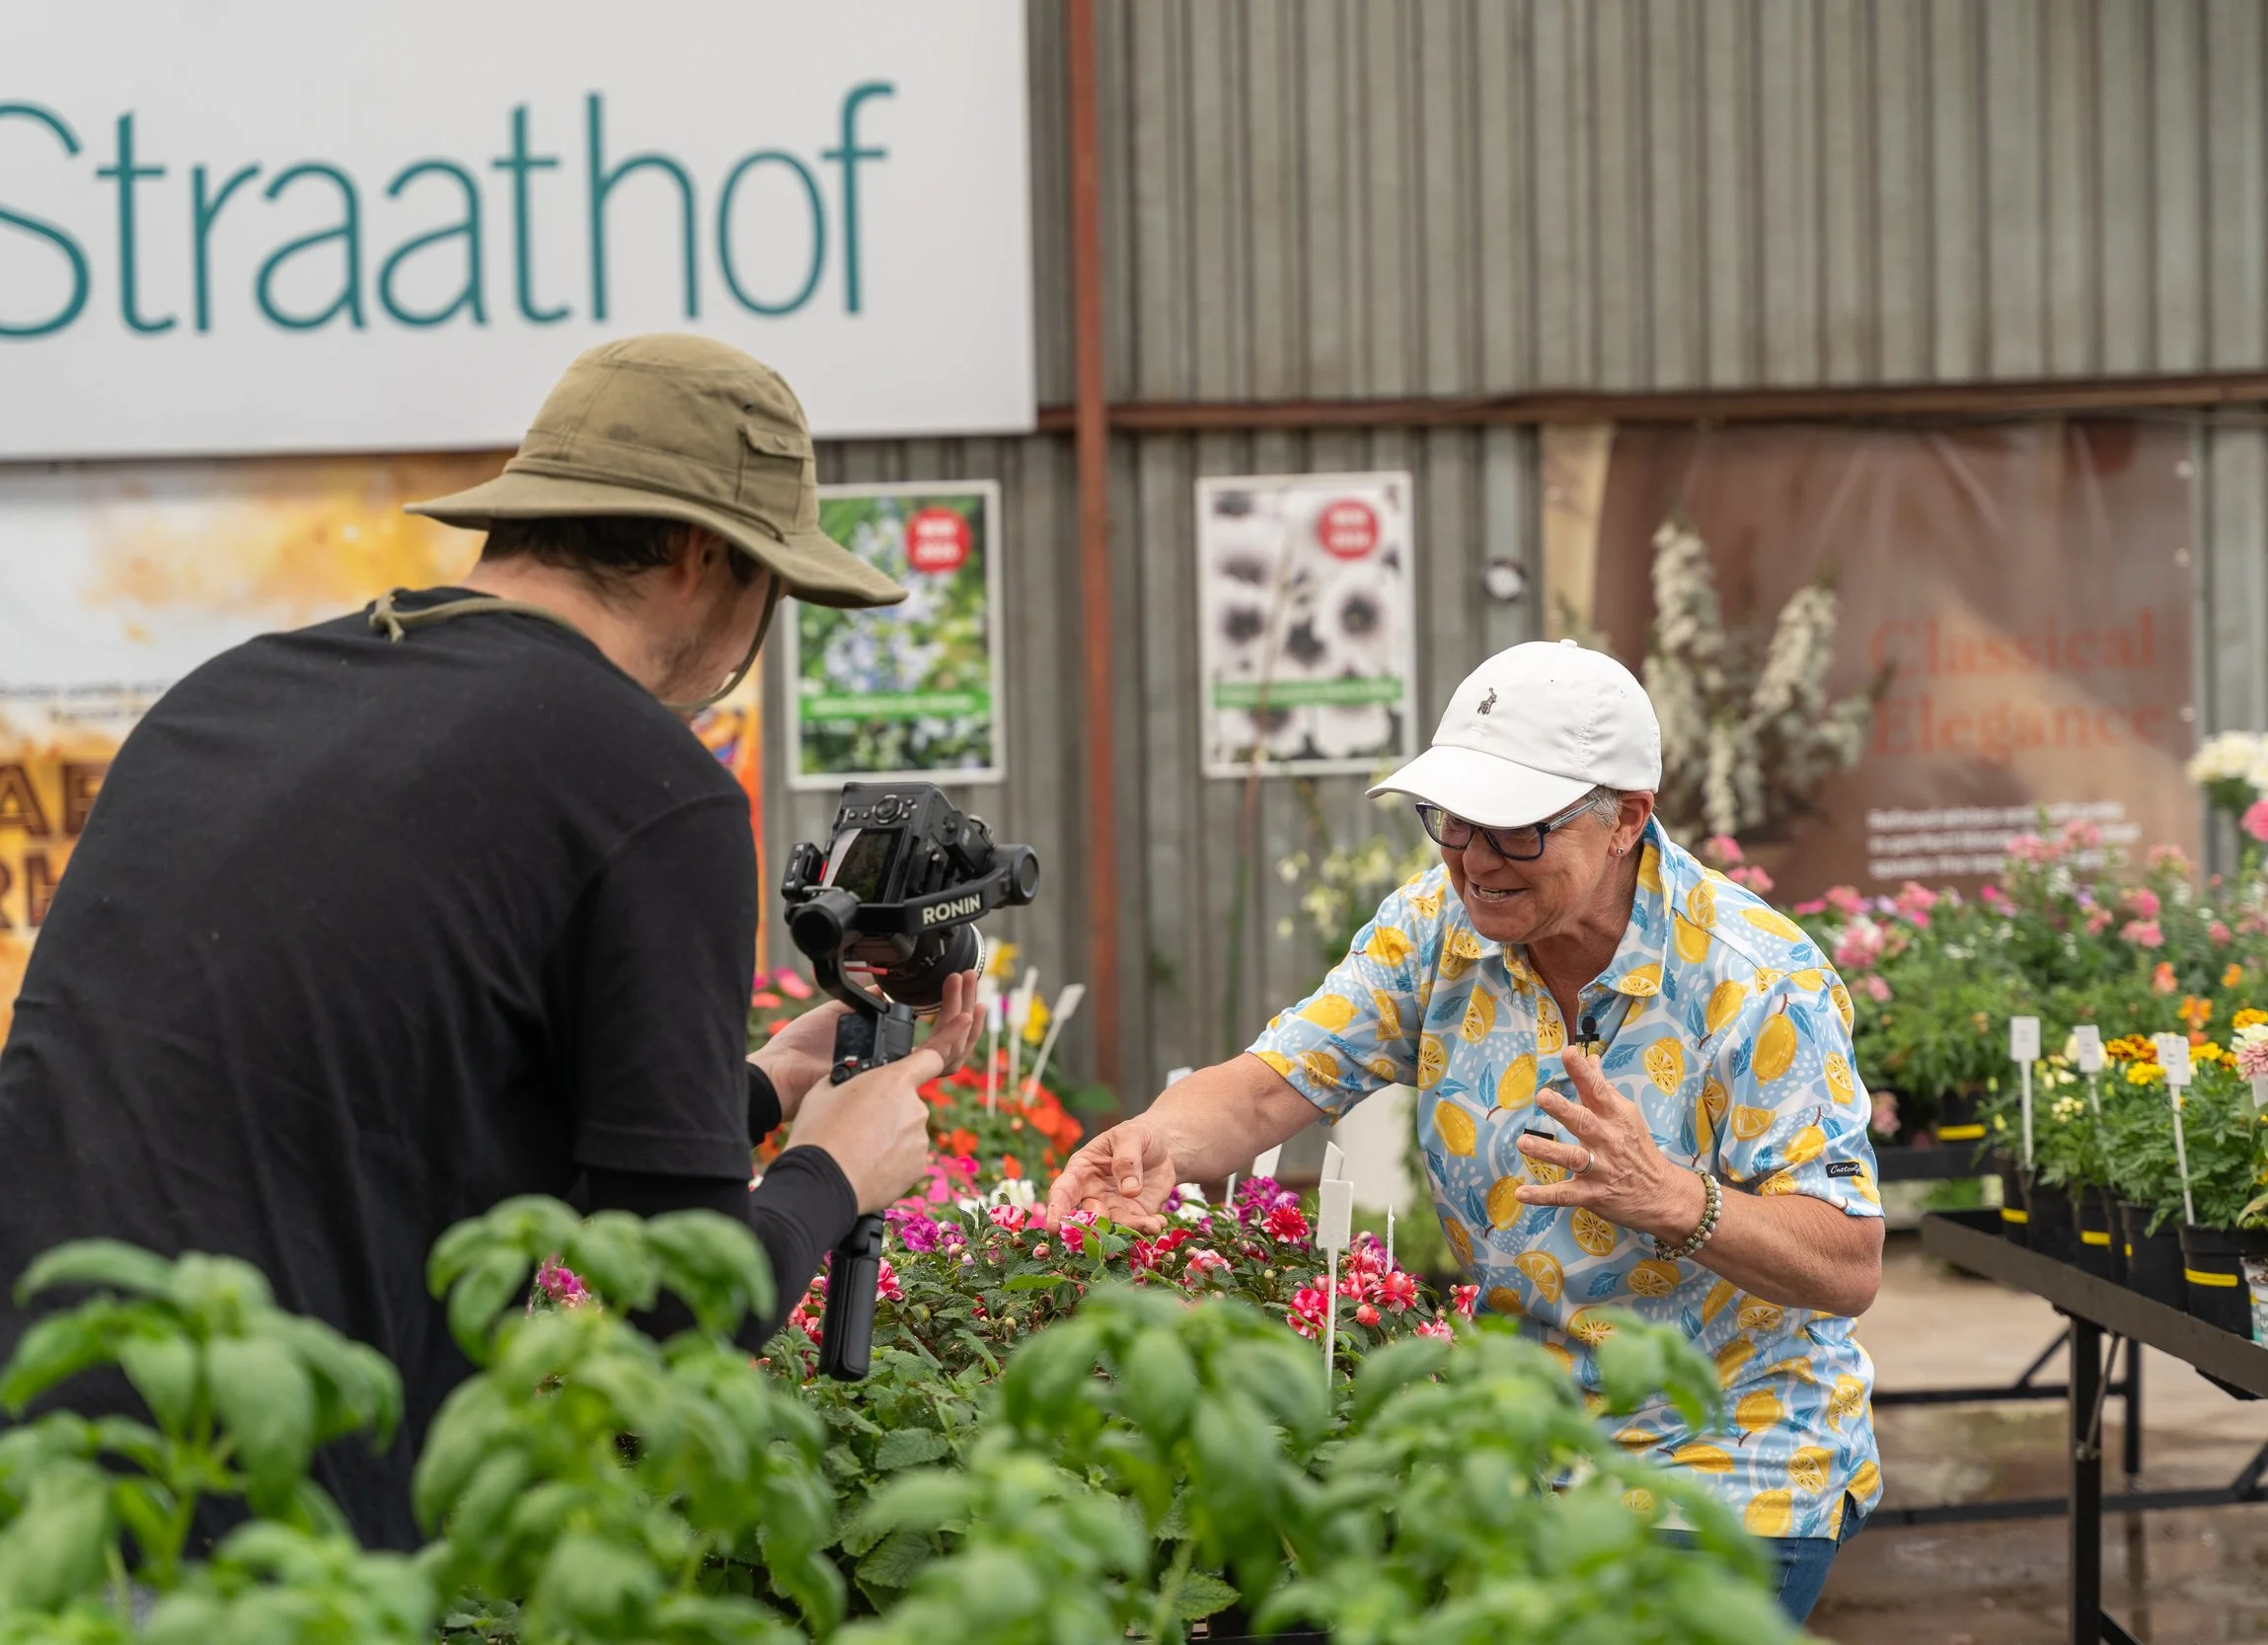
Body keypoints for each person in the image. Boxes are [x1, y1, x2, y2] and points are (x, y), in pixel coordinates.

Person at [0, 335, 980, 1549]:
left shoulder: (233, 689)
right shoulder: (648, 784)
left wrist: (759, 1088)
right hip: (245, 1534)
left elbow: (398, 1099)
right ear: (703, 555)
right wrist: (834, 1171)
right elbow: (672, 1310)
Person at [1050, 638, 1885, 1623]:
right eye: (1452, 820)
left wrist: (1672, 1198)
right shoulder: (1437, 929)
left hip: (1728, 1456)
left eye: (1518, 829)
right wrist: (1152, 1142)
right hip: (1514, 1440)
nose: (1475, 859)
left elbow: (1847, 1259)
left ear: (1625, 819)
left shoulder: (1754, 979)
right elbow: (1274, 1085)